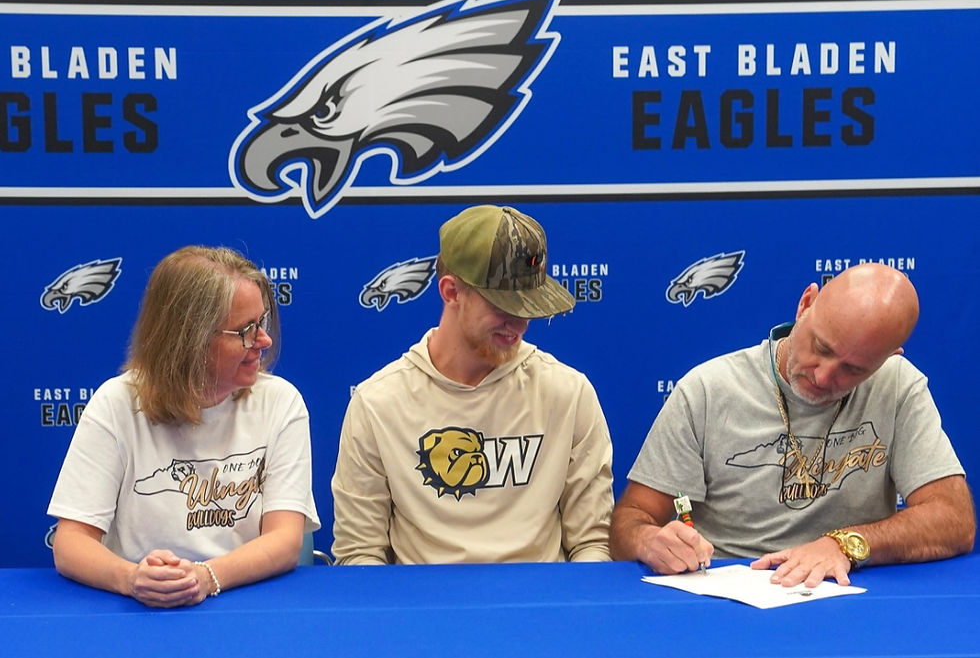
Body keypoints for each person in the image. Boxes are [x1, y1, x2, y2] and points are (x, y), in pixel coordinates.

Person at [611, 263, 975, 587]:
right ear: (805, 305)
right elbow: (631, 520)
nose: (823, 375)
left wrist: (844, 544)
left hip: (848, 588)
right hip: (727, 592)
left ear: (888, 358)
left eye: (855, 369)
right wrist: (649, 542)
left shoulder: (897, 385)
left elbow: (955, 520)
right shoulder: (707, 389)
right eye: (822, 347)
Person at [331, 205, 614, 564]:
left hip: (542, 607)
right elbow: (360, 554)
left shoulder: (568, 393)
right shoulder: (378, 403)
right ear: (451, 293)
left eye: (530, 309)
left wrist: (567, 612)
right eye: (504, 307)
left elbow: (592, 544)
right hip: (422, 611)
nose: (519, 325)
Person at [47, 246, 320, 607]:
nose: (264, 341)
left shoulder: (281, 402)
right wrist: (132, 579)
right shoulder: (116, 404)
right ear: (188, 339)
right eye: (245, 331)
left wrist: (205, 577)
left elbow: (286, 541)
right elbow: (70, 544)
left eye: (263, 323)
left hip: (247, 599)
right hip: (138, 609)